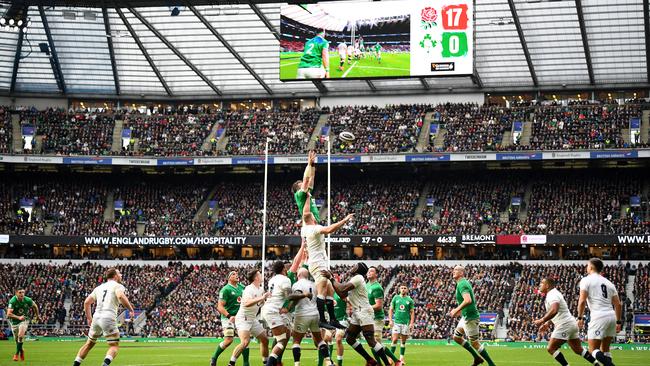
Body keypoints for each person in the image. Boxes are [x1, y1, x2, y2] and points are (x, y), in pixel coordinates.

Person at [301, 189, 354, 330]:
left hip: (317, 261)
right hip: (318, 262)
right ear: (312, 219)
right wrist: (345, 220)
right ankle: (322, 319)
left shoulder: (304, 228)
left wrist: (307, 197)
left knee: (330, 289)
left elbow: (305, 212)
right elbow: (330, 229)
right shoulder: (314, 228)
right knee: (323, 290)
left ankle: (333, 319)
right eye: (313, 216)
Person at [322, 263, 392, 366]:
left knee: (371, 341)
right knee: (350, 338)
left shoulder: (358, 277)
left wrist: (331, 278)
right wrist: (332, 280)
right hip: (357, 312)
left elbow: (341, 289)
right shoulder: (355, 279)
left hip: (364, 311)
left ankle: (387, 364)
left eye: (355, 266)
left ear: (359, 269)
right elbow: (341, 294)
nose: (352, 267)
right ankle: (370, 360)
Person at [72, 268, 135, 366]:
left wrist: (89, 318)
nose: (121, 275)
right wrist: (131, 309)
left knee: (89, 344)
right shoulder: (118, 286)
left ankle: (75, 364)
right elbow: (120, 296)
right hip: (108, 317)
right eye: (119, 273)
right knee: (114, 346)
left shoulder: (99, 288)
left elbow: (86, 302)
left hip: (96, 318)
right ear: (115, 276)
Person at [533, 277, 598, 366]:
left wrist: (542, 320)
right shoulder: (554, 293)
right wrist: (547, 323)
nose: (539, 285)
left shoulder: (552, 294)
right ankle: (596, 364)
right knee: (578, 349)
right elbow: (558, 312)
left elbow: (554, 310)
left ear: (547, 285)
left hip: (565, 324)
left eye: (542, 283)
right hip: (571, 323)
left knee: (551, 348)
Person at [263, 261, 311, 366]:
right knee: (282, 340)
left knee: (283, 337)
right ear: (284, 269)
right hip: (274, 311)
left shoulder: (272, 279)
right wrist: (305, 295)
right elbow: (290, 297)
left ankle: (275, 362)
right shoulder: (285, 280)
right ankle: (271, 364)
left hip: (270, 309)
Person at [577, 258, 622, 366]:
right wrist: (618, 322)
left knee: (593, 350)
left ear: (591, 267)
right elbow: (618, 304)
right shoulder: (609, 283)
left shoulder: (586, 280)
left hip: (598, 316)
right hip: (611, 316)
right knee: (605, 350)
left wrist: (580, 317)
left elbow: (582, 300)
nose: (586, 267)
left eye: (588, 265)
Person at [448, 265, 496, 366]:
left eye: (456, 270)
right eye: (453, 269)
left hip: (471, 318)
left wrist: (456, 309)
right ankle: (477, 358)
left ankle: (491, 364)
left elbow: (468, 300)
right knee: (456, 337)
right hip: (465, 316)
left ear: (461, 273)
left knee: (474, 343)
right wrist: (459, 312)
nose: (453, 271)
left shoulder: (462, 284)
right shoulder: (461, 283)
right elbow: (469, 302)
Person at [290, 268, 335, 366]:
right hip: (315, 314)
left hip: (302, 314)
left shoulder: (297, 284)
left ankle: (297, 364)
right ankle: (328, 361)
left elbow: (295, 297)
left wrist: (289, 307)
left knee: (296, 341)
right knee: (319, 340)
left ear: (298, 274)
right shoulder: (314, 284)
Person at [226, 269, 270, 366]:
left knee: (265, 340)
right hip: (243, 318)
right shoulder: (249, 289)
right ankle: (231, 363)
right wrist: (262, 298)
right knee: (245, 342)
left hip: (252, 319)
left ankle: (266, 363)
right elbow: (247, 303)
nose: (262, 275)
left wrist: (266, 300)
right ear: (256, 278)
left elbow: (260, 303)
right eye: (260, 274)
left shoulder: (261, 289)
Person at [212, 271, 249, 366]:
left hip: (240, 317)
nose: (236, 275)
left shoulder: (242, 287)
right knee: (229, 340)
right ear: (229, 278)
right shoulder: (225, 289)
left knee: (244, 339)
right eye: (233, 274)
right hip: (228, 318)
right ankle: (214, 357)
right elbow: (219, 306)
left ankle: (246, 363)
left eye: (237, 274)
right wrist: (229, 316)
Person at [367, 267, 400, 364]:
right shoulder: (366, 285)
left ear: (376, 274)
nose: (369, 272)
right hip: (368, 318)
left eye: (372, 271)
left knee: (376, 342)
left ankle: (396, 361)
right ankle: (379, 363)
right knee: (372, 344)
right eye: (368, 271)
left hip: (377, 318)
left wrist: (365, 308)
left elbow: (378, 306)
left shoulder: (377, 287)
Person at [7, 288, 40, 362]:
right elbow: (8, 314)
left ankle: (16, 354)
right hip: (14, 322)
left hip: (25, 319)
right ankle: (21, 350)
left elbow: (35, 306)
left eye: (23, 292)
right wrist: (18, 317)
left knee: (21, 336)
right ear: (16, 293)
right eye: (20, 292)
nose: (22, 294)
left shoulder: (28, 300)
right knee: (17, 340)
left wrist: (37, 316)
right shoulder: (12, 301)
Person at [389, 284, 415, 365]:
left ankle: (401, 358)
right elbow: (391, 309)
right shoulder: (395, 298)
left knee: (403, 341)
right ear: (399, 289)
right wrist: (390, 320)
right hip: (396, 322)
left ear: (407, 290)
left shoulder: (409, 300)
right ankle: (390, 358)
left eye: (405, 288)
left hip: (405, 323)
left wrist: (411, 323)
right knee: (395, 339)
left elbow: (412, 312)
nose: (403, 289)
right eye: (402, 288)